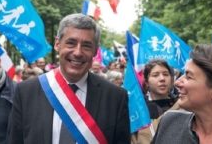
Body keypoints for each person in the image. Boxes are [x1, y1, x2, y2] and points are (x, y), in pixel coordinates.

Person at [8, 13, 130, 144]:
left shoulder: (115, 97)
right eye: (71, 43)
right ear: (57, 44)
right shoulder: (26, 92)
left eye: (86, 46)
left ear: (95, 51)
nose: (78, 52)